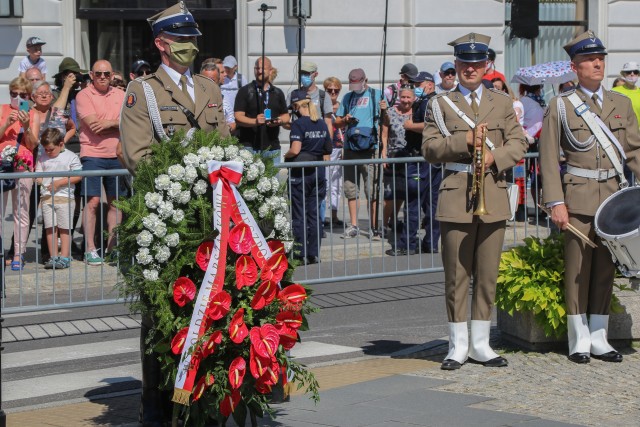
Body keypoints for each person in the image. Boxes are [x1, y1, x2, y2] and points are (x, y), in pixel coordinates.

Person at [119, 3, 229, 425]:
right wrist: (188, 177)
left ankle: (202, 395)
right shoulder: (141, 91)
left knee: (210, 305)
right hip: (166, 219)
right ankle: (157, 399)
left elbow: (223, 143)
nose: (191, 47)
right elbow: (139, 156)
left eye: (193, 40)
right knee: (162, 311)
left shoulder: (209, 89)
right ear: (162, 44)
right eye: (182, 41)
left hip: (212, 215)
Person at [422, 32, 527, 370]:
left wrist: (497, 159)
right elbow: (429, 149)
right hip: (456, 194)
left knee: (487, 274)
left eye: (477, 63)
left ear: (486, 65)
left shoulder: (501, 101)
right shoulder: (440, 104)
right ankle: (457, 344)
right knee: (456, 275)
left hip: (493, 193)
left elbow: (519, 143)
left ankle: (481, 343)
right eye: (464, 63)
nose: (471, 68)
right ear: (456, 66)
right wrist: (462, 140)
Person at [539, 30, 640, 365]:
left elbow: (634, 152)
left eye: (600, 59)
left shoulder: (621, 103)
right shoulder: (562, 105)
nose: (597, 64)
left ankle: (599, 336)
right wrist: (556, 202)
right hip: (578, 197)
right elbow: (549, 157)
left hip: (614, 199)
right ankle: (578, 338)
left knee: (605, 270)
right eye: (588, 60)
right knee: (578, 269)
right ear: (575, 66)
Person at [76, 59, 125, 266]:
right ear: (91, 74)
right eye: (98, 74)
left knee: (116, 203)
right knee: (92, 202)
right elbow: (94, 126)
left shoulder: (121, 95)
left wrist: (111, 123)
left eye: (106, 74)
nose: (103, 77)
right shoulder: (83, 95)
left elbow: (130, 122)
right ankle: (90, 249)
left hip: (117, 155)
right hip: (92, 154)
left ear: (112, 75)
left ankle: (113, 248)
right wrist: (117, 124)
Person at [335, 68, 385, 239]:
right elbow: (337, 123)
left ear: (365, 80)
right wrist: (345, 120)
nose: (355, 86)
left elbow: (386, 123)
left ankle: (373, 227)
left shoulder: (376, 95)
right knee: (350, 189)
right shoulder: (347, 97)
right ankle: (354, 225)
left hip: (370, 149)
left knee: (372, 189)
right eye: (352, 82)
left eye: (357, 82)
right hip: (350, 148)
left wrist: (384, 149)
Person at [284, 89, 332, 264]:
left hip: (301, 173)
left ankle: (299, 253)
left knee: (299, 214)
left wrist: (286, 156)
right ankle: (313, 253)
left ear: (296, 106)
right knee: (313, 214)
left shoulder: (299, 124)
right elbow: (328, 148)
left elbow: (295, 149)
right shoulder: (320, 123)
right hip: (318, 172)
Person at [0, 77, 38, 270]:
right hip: (2, 164)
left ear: (29, 96)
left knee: (21, 211)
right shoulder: (2, 109)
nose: (16, 98)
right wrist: (7, 123)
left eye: (22, 95)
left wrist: (26, 126)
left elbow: (32, 145)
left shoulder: (33, 113)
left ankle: (18, 253)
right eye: (13, 94)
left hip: (23, 164)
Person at [35, 128, 82, 270]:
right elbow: (38, 174)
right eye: (46, 149)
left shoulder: (71, 156)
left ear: (61, 144)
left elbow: (78, 176)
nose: (48, 152)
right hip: (47, 198)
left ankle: (65, 257)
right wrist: (40, 180)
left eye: (51, 149)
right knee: (50, 228)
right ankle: (54, 256)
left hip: (65, 198)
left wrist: (59, 183)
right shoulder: (43, 157)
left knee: (65, 228)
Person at [380, 84, 416, 254]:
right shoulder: (391, 112)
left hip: (409, 158)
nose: (406, 100)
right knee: (389, 195)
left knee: (402, 194)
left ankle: (394, 221)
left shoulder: (416, 114)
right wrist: (383, 152)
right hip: (393, 158)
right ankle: (384, 224)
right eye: (403, 97)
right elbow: (385, 132)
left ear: (413, 98)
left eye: (409, 97)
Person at [234, 56, 289, 158]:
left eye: (262, 68)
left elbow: (286, 115)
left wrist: (279, 121)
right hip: (249, 147)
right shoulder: (245, 91)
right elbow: (238, 117)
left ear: (270, 70)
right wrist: (255, 121)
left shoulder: (277, 92)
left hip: (272, 147)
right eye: (256, 68)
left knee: (272, 174)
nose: (259, 71)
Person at [322, 77, 344, 227]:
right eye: (330, 90)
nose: (333, 93)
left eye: (336, 90)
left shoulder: (342, 107)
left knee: (337, 184)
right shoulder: (322, 107)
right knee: (326, 183)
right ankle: (322, 217)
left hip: (340, 147)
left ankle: (334, 215)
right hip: (326, 149)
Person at [200, 58, 235, 132]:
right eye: (222, 72)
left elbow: (231, 120)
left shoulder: (224, 95)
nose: (225, 74)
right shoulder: (197, 97)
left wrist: (228, 128)